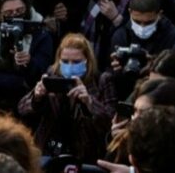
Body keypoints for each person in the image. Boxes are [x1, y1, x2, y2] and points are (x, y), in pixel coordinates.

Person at [17, 33, 114, 161]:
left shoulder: (101, 80)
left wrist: (89, 102)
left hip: (87, 153)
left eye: (76, 62)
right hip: (50, 150)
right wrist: (37, 96)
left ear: (87, 60)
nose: (70, 66)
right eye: (65, 61)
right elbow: (22, 108)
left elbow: (111, 121)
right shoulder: (52, 75)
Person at [0, 0, 54, 112]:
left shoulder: (42, 34)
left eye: (20, 10)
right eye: (8, 13)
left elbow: (43, 71)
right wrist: (17, 82)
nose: (15, 15)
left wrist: (29, 62)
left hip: (30, 101)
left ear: (27, 8)